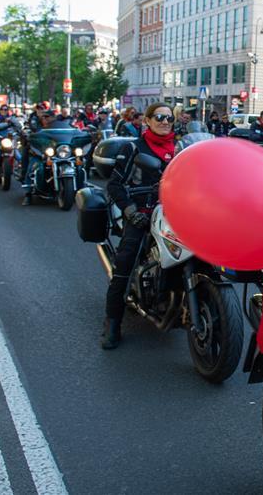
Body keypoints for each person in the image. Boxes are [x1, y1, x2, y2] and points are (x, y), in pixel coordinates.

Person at [100, 102, 177, 349]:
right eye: (159, 117)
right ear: (147, 120)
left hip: (176, 216)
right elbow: (114, 185)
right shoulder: (133, 147)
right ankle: (112, 323)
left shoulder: (181, 149)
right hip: (142, 214)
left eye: (169, 118)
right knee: (126, 263)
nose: (165, 121)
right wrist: (131, 212)